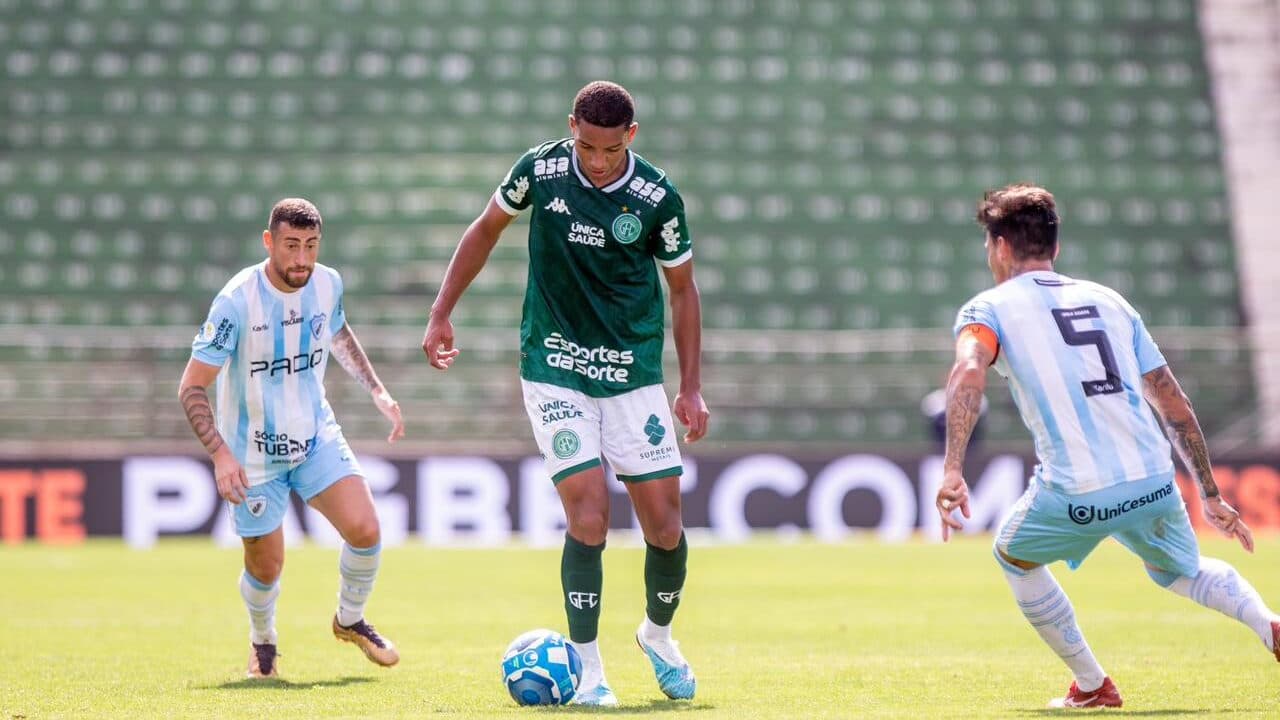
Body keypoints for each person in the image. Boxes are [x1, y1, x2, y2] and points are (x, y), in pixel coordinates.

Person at [421, 80, 709, 706]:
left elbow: (682, 290)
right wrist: (442, 311)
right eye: (585, 146)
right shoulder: (541, 168)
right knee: (588, 513)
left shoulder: (657, 197)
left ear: (630, 137)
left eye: (608, 150)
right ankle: (587, 671)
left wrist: (689, 387)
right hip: (554, 363)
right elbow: (485, 228)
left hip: (632, 372)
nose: (596, 161)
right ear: (570, 125)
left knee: (664, 526)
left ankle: (657, 636)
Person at [936, 184, 1279, 709]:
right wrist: (1209, 492)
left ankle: (1093, 685)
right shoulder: (1110, 301)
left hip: (1075, 492)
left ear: (1001, 246)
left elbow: (967, 372)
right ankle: (1268, 624)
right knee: (1182, 571)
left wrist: (953, 468)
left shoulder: (987, 310)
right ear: (1055, 246)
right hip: (1152, 482)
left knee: (1013, 555)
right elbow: (1173, 402)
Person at [178, 198, 406, 678]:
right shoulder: (236, 301)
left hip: (314, 437)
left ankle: (350, 619)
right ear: (269, 242)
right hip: (252, 455)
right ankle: (263, 644)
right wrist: (220, 454)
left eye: (311, 246)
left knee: (366, 530)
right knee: (267, 566)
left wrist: (378, 391)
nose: (302, 258)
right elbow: (192, 386)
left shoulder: (328, 283)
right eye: (291, 246)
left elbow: (339, 334)